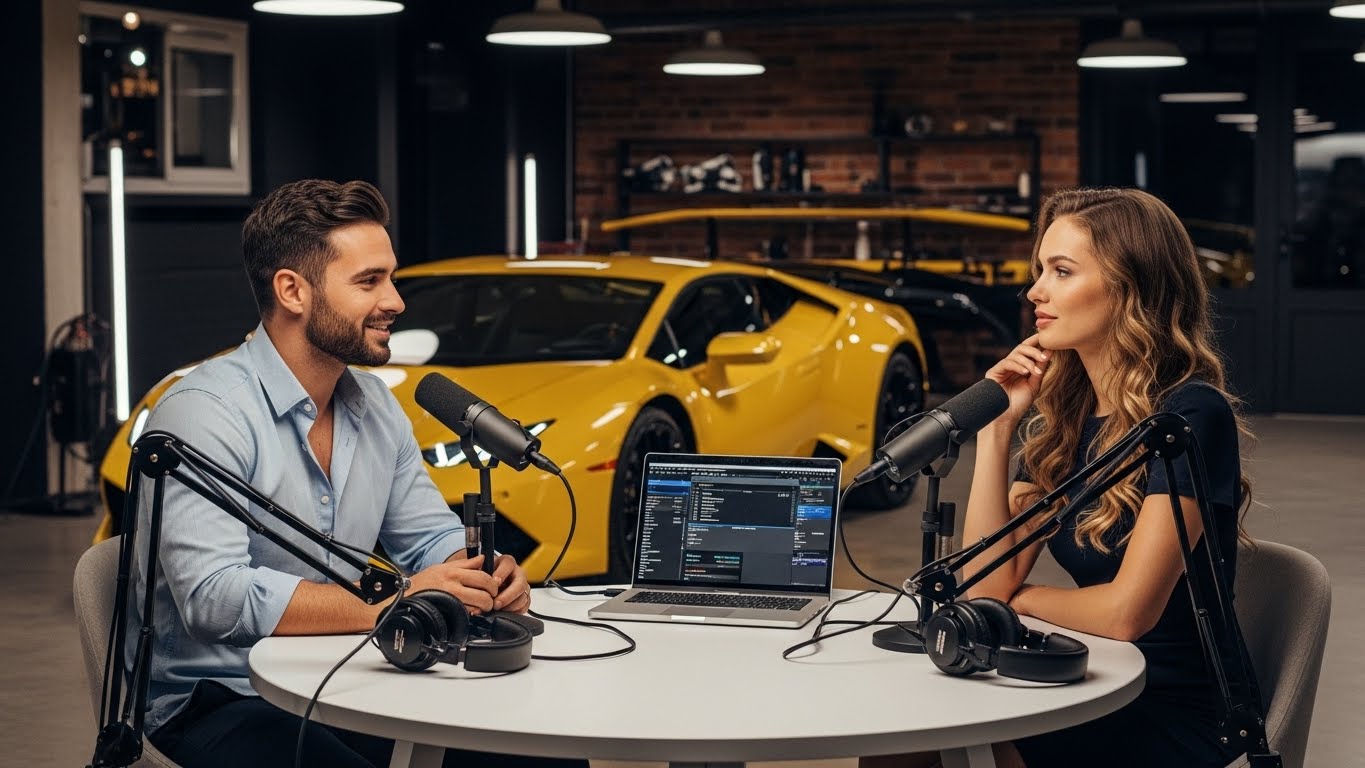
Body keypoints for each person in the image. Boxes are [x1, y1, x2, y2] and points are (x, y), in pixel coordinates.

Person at [126, 179, 585, 768]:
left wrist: (477, 574)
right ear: (292, 291)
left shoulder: (373, 403)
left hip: (343, 679)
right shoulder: (204, 414)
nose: (395, 300)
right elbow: (214, 599)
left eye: (391, 277)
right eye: (369, 282)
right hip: (219, 702)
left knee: (537, 751)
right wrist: (392, 601)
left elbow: (426, 539)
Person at [863, 187, 1255, 768]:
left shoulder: (1190, 416)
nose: (1034, 291)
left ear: (1130, 288)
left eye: (1061, 271)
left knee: (963, 741)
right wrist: (997, 430)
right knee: (901, 738)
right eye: (1040, 269)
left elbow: (1125, 614)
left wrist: (1018, 600)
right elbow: (982, 581)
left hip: (1176, 706)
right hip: (1093, 673)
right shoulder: (1067, 425)